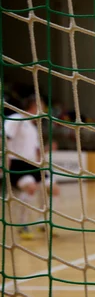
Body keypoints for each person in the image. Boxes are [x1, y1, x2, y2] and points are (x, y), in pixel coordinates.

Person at [4, 95, 60, 240]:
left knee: (52, 188)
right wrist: (5, 160)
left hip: (33, 164)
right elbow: (4, 138)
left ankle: (42, 221)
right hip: (17, 163)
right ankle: (22, 225)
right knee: (31, 187)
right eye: (41, 107)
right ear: (33, 106)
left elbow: (35, 152)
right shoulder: (16, 119)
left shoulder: (33, 127)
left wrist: (47, 149)